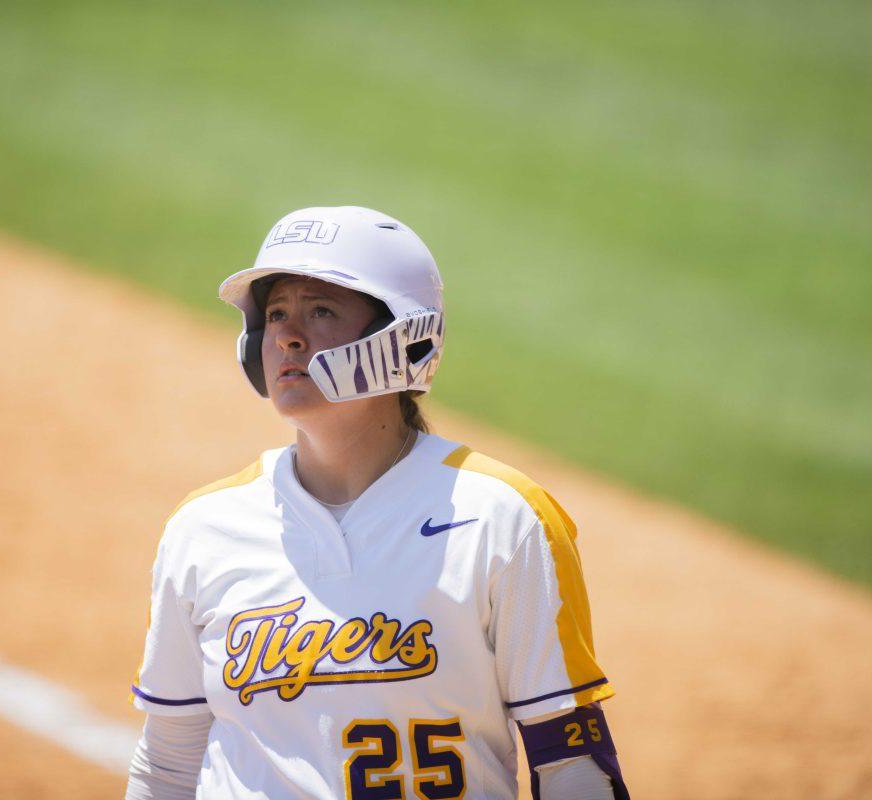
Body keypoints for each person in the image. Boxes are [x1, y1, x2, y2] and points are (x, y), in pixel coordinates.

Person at [126, 206, 627, 799]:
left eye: (321, 311)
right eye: (277, 313)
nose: (287, 335)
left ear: (404, 336)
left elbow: (570, 762)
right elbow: (167, 763)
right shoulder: (206, 529)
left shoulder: (501, 519)